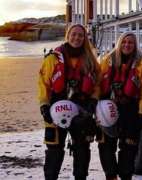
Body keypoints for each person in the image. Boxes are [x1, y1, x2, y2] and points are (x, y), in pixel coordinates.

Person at [38, 24, 100, 180]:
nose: (77, 38)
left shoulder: (90, 59)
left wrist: (93, 100)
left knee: (82, 150)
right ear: (68, 35)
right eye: (74, 34)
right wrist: (44, 105)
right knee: (54, 150)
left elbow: (97, 84)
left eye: (80, 35)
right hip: (56, 109)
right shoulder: (53, 58)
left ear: (84, 38)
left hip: (81, 111)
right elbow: (43, 83)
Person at [97, 32, 142, 180]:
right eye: (124, 42)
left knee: (128, 148)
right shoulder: (107, 60)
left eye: (131, 42)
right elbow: (99, 85)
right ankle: (111, 176)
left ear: (135, 45)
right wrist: (95, 107)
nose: (127, 45)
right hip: (108, 107)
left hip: (130, 109)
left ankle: (126, 176)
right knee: (106, 147)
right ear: (119, 43)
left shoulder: (141, 64)